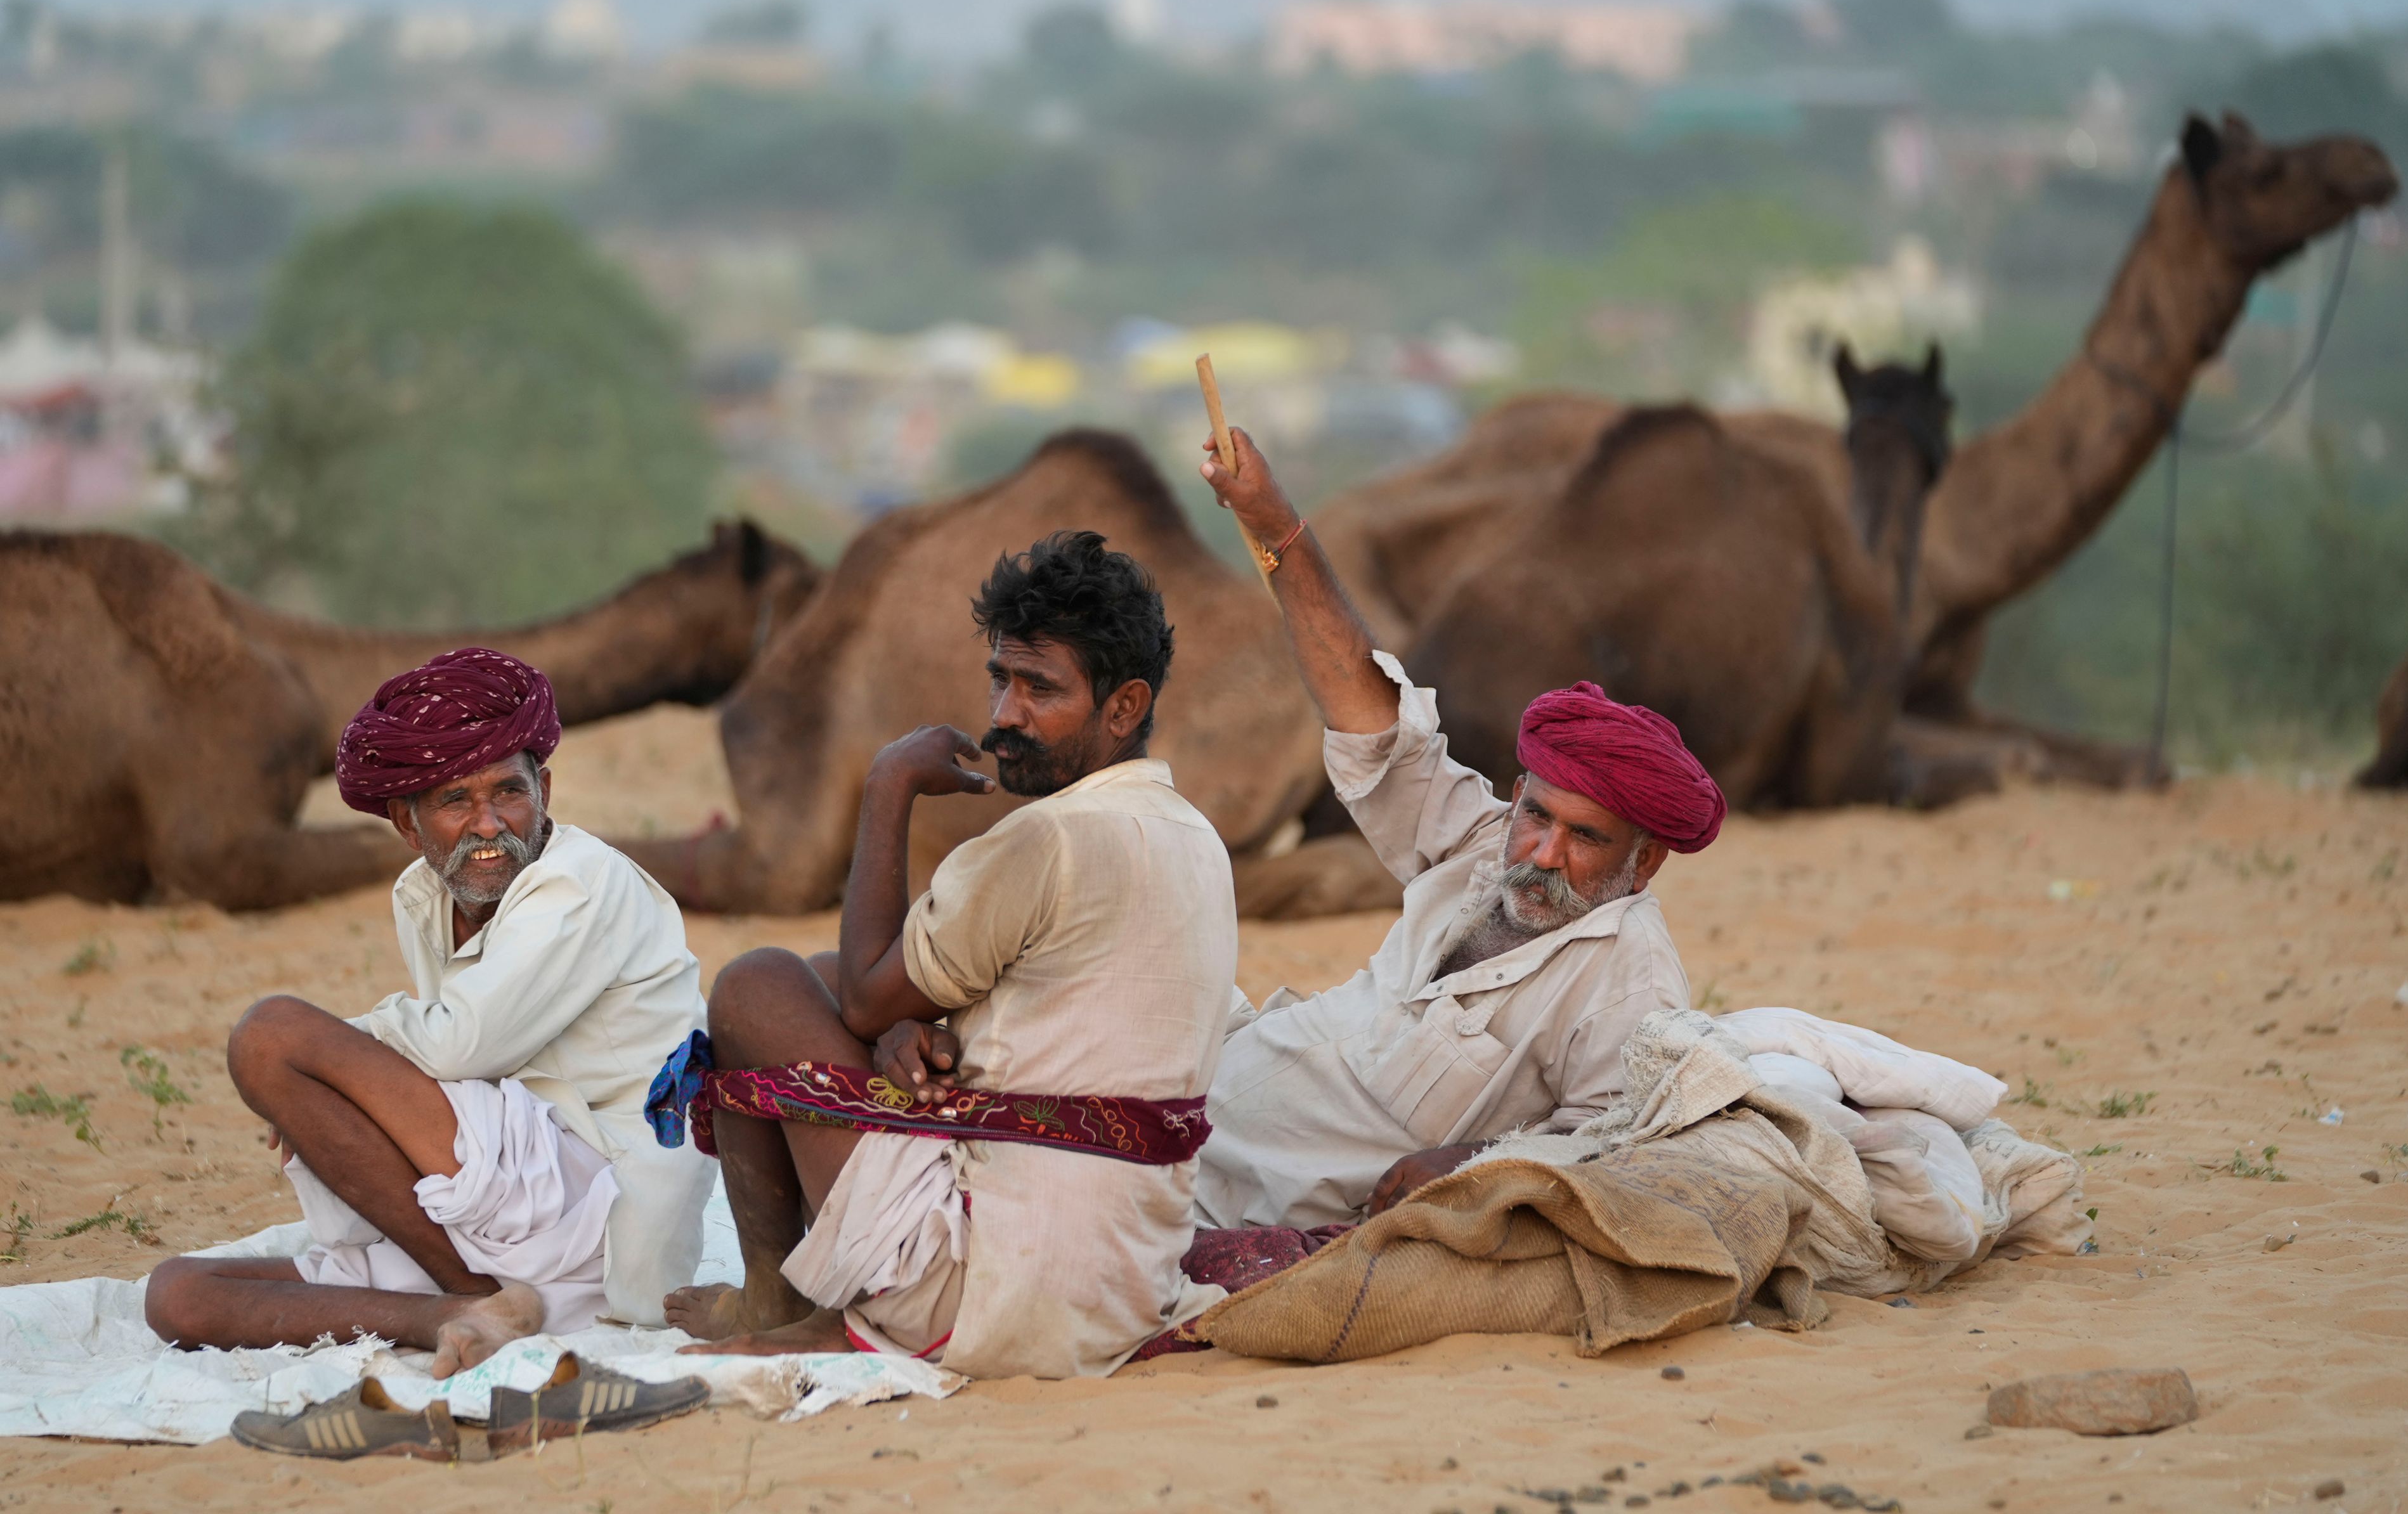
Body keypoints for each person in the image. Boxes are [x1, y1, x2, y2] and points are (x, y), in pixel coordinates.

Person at [660, 531, 1237, 1378]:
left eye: (1041, 689)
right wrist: (898, 1027)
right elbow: (932, 1007)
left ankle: (782, 1302)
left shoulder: (1046, 839)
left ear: (1123, 707)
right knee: (822, 980)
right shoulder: (1194, 836)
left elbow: (861, 1001)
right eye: (1002, 679)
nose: (1006, 714)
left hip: (985, 1297)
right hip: (1119, 1292)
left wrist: (888, 786)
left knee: (758, 985)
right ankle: (804, 1297)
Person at [1192, 426, 1725, 1231]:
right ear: (1517, 797)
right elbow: (1369, 716)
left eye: (1586, 839)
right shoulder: (1483, 846)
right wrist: (1275, 524)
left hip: (1235, 1193)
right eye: (1538, 816)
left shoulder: (1629, 982)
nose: (1542, 855)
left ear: (1643, 864)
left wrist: (1472, 1162)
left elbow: (1618, 1143)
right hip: (1205, 1082)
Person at [143, 649, 715, 1376]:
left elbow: (459, 1047)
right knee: (178, 1297)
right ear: (408, 826)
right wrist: (334, 1085)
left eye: (508, 793)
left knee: (273, 1036)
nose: (486, 824)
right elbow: (455, 1067)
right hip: (506, 1208)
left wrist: (339, 1054)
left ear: (545, 790)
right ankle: (461, 1313)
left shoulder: (582, 881)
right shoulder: (426, 895)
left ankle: (470, 1288)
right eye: (454, 801)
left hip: (601, 1203)